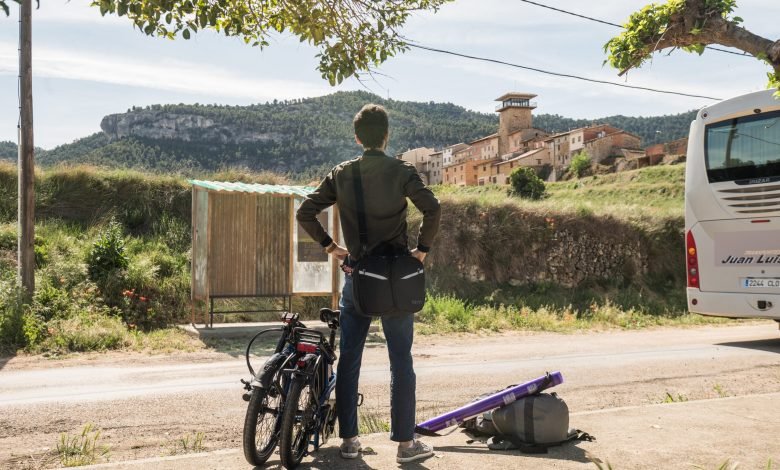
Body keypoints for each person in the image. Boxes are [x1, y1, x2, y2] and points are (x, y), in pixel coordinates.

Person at [296, 103, 441, 463]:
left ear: (358, 137)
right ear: (386, 135)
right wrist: (421, 251)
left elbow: (305, 212)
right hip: (396, 281)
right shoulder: (401, 170)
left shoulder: (342, 173)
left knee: (350, 360)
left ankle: (349, 442)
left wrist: (332, 248)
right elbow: (433, 209)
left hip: (358, 279)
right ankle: (406, 446)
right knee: (401, 361)